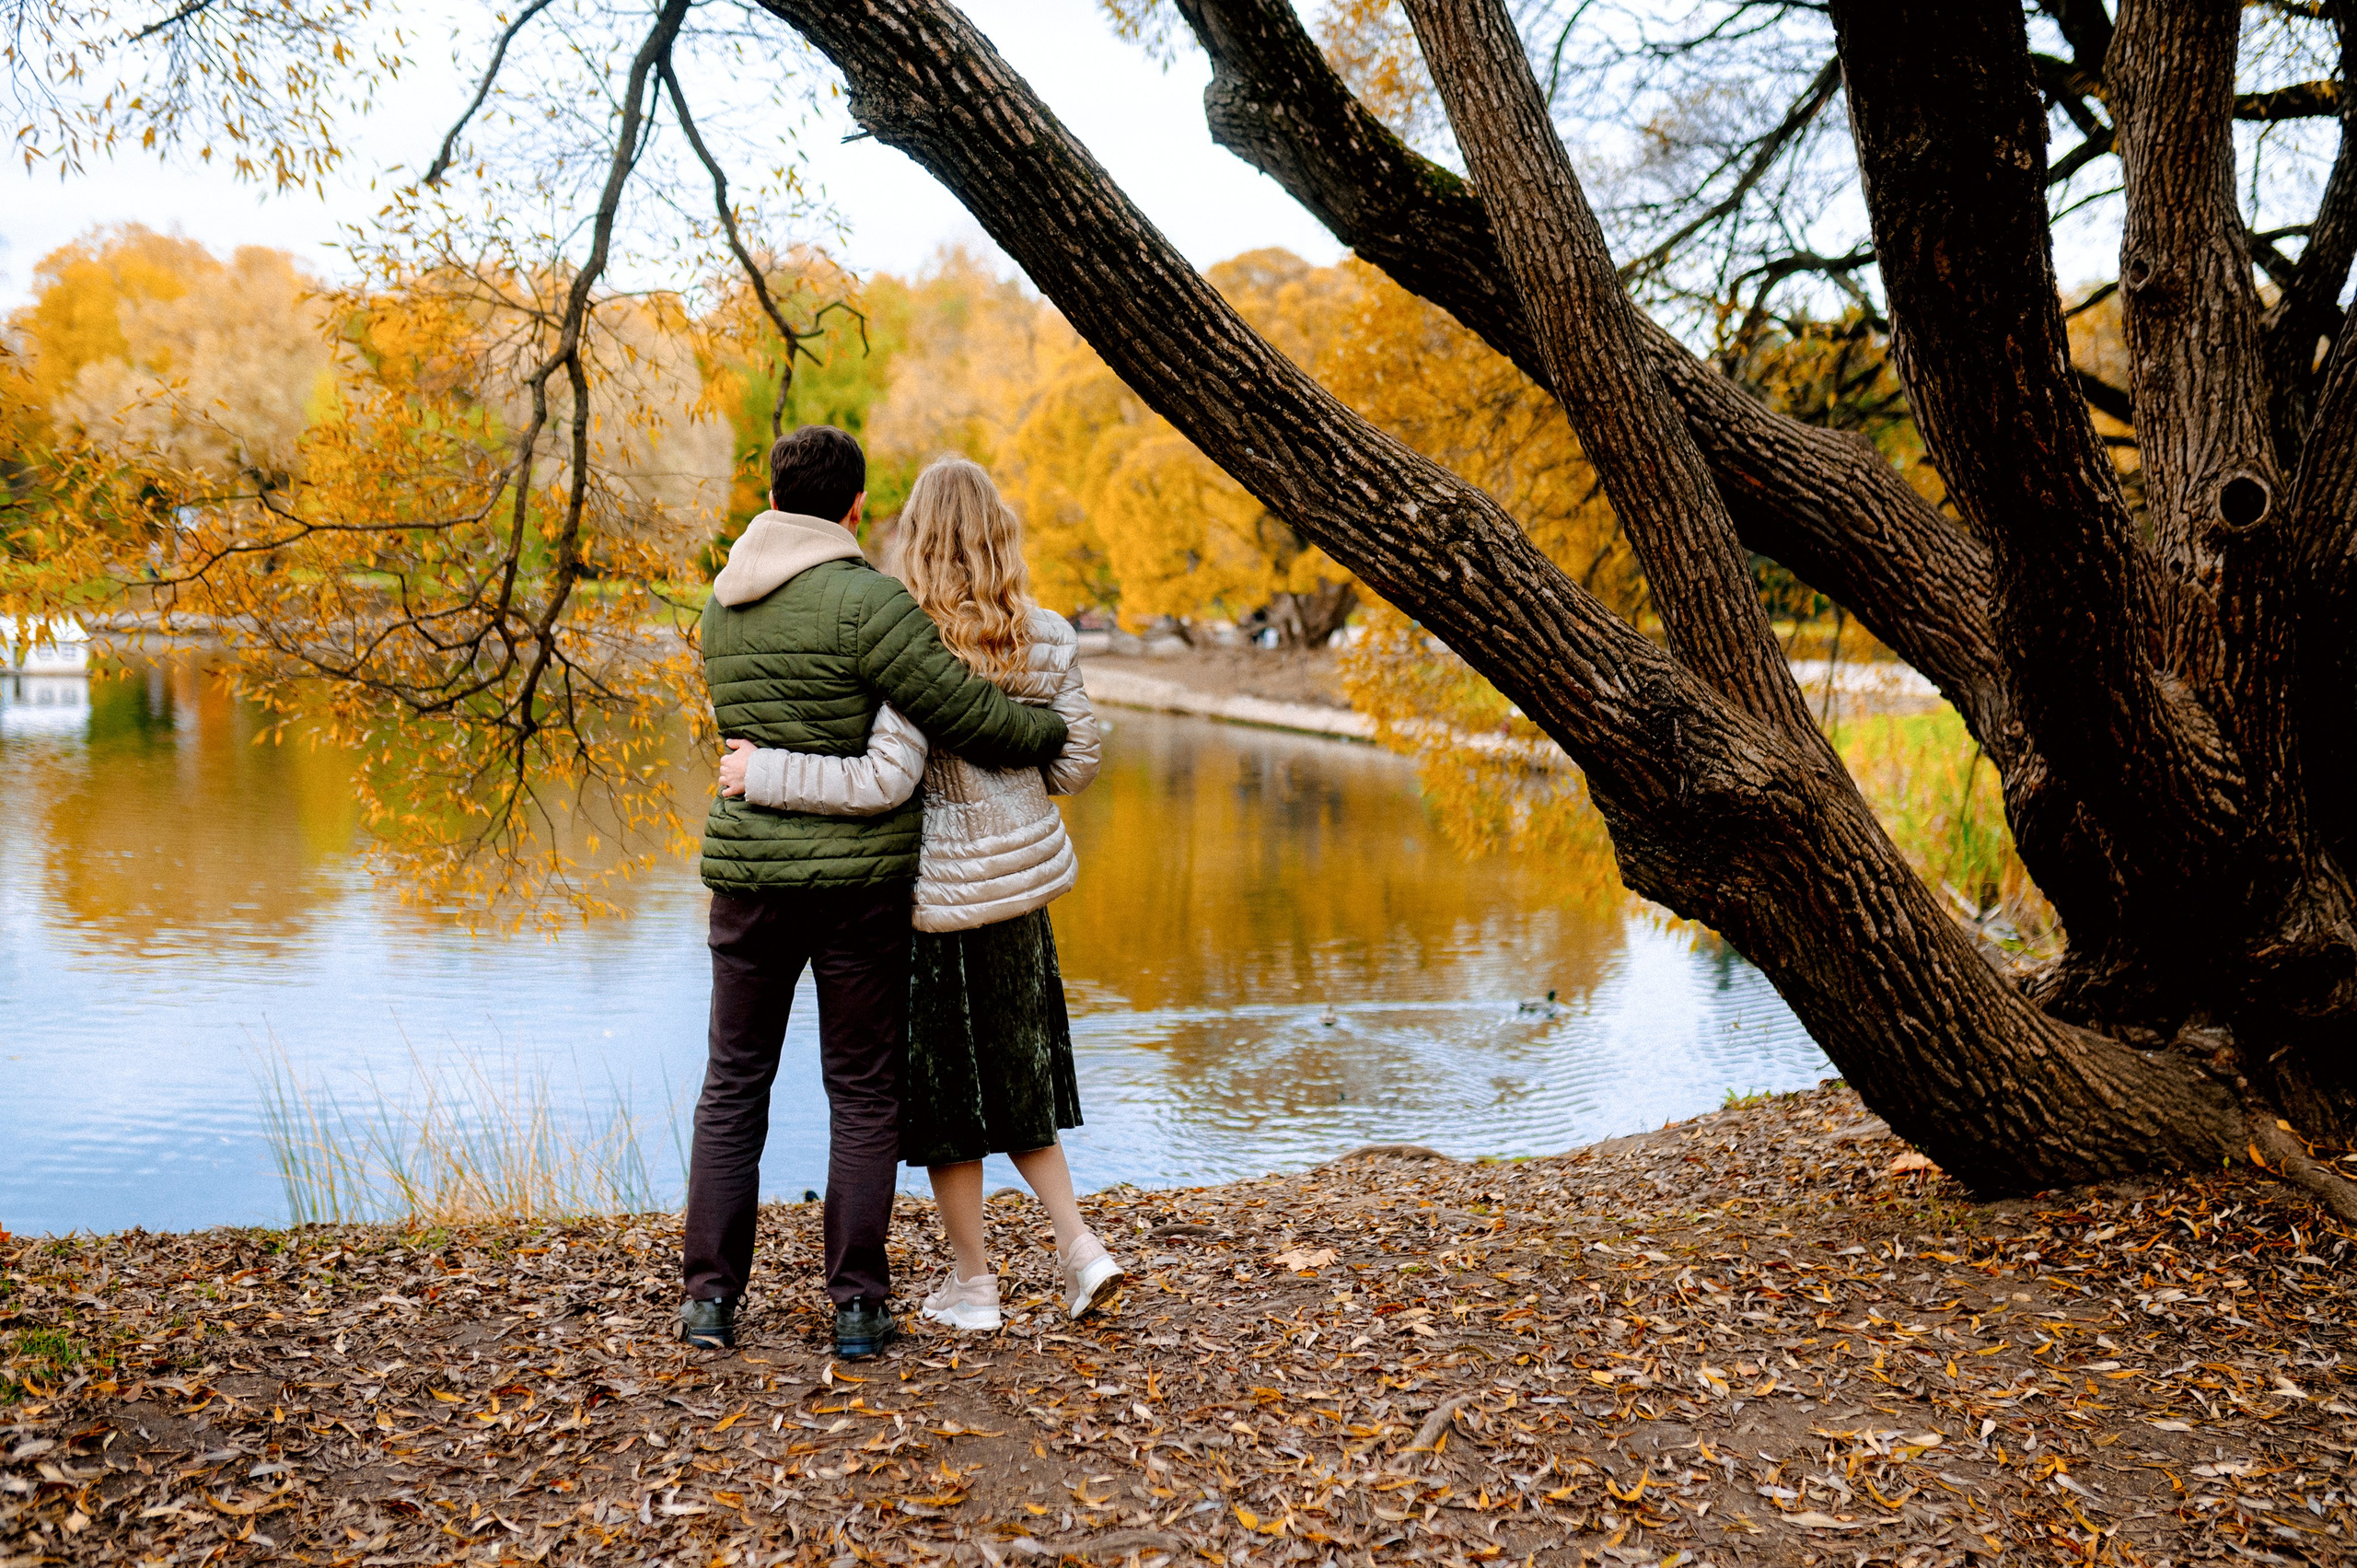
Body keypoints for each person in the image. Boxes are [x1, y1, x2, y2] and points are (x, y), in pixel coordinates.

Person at [683, 427, 1070, 1361]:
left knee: (733, 1084)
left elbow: (747, 732)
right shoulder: (871, 604)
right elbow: (963, 710)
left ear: (773, 496)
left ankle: (709, 1301)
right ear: (855, 509)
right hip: (858, 886)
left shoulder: (720, 607)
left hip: (746, 883)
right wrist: (1048, 729)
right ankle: (857, 1303)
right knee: (861, 1090)